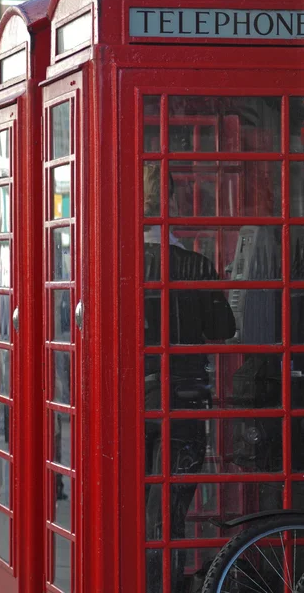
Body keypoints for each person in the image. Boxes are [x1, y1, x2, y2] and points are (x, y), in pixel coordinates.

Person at [143, 164, 236, 592]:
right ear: (175, 204)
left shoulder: (115, 260)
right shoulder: (197, 266)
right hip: (184, 403)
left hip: (131, 403)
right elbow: (223, 330)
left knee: (131, 509)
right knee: (169, 516)